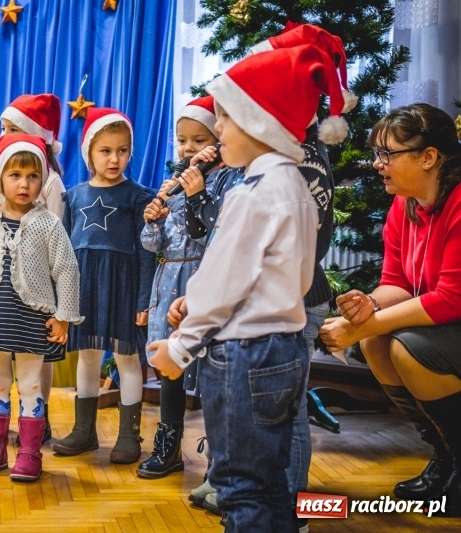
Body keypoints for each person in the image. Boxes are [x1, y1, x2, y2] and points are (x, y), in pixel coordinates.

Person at [149, 44, 348, 532]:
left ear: (262, 125)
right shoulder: (296, 188)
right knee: (271, 478)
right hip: (285, 348)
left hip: (244, 355)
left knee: (240, 487)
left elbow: (223, 286)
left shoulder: (249, 195)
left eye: (226, 119)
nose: (217, 131)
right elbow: (295, 277)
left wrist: (179, 348)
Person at [320, 103, 461, 517]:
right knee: (377, 342)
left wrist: (357, 328)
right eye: (376, 153)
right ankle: (446, 454)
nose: (377, 164)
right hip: (449, 327)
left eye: (387, 154)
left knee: (407, 348)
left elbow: (451, 297)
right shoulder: (405, 204)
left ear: (428, 157)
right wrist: (370, 305)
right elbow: (396, 282)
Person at [0, 134, 82, 482]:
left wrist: (63, 316)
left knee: (30, 384)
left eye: (32, 176)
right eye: (15, 175)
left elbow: (67, 269)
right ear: (0, 177)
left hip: (32, 319)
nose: (24, 184)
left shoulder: (49, 223)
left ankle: (30, 452)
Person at [52, 108, 156, 464]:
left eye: (122, 150)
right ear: (89, 153)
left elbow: (147, 252)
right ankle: (84, 430)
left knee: (127, 358)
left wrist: (144, 299)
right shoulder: (75, 196)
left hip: (123, 285)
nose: (114, 159)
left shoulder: (138, 196)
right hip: (85, 286)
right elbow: (65, 252)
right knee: (88, 355)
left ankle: (128, 435)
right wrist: (62, 299)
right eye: (106, 151)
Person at [0, 93, 65, 442]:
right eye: (3, 128)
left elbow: (61, 251)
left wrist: (60, 306)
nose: (3, 135)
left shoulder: (50, 189)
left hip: (34, 299)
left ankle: (35, 429)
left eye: (12, 129)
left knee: (33, 370)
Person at [135, 96, 219, 479]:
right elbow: (153, 244)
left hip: (199, 281)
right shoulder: (172, 186)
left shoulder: (218, 185)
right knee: (170, 368)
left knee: (209, 367)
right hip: (168, 282)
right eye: (182, 140)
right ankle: (168, 447)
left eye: (198, 140)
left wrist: (196, 194)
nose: (187, 148)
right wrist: (153, 219)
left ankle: (219, 454)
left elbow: (212, 237)